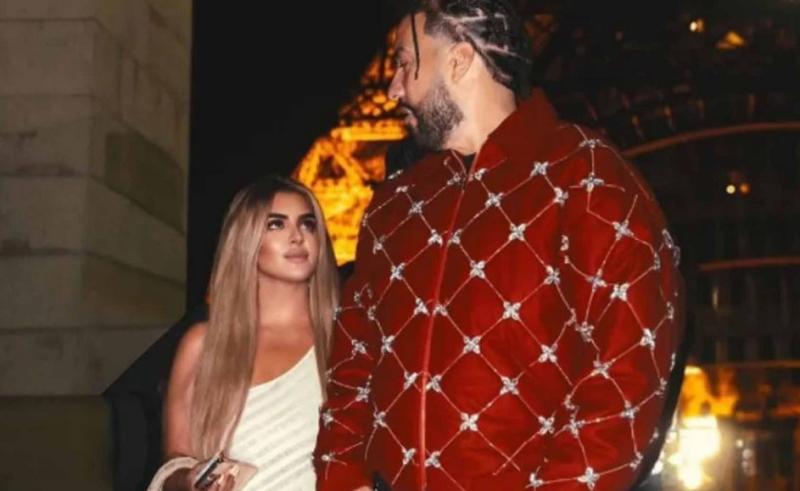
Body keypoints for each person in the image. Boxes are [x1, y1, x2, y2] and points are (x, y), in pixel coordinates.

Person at [314, 1, 684, 490]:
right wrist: (343, 478)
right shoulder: (393, 205)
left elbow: (625, 375)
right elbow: (353, 366)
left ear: (459, 59)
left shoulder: (586, 175)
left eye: (404, 63)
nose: (393, 88)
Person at [149, 176, 339, 490]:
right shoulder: (204, 344)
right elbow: (175, 463)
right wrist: (192, 480)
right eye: (276, 224)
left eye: (308, 224)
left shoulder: (347, 338)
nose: (297, 237)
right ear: (246, 240)